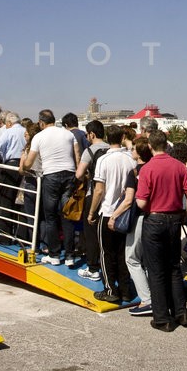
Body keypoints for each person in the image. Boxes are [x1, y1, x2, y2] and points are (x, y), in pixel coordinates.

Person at [135, 129, 187, 332]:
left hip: (154, 219)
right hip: (174, 218)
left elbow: (142, 202)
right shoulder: (179, 166)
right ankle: (181, 312)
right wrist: (183, 213)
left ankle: (162, 318)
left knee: (156, 270)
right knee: (174, 267)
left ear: (150, 146)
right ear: (167, 144)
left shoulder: (148, 169)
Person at [24, 109, 80, 265]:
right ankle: (70, 255)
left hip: (51, 176)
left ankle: (54, 255)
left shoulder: (39, 137)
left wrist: (23, 167)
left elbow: (29, 162)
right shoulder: (69, 134)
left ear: (41, 122)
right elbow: (77, 156)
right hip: (69, 175)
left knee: (50, 217)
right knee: (67, 215)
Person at [88, 124, 136, 303]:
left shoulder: (104, 160)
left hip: (107, 211)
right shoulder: (130, 159)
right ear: (123, 137)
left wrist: (92, 212)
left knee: (106, 253)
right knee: (122, 253)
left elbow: (99, 190)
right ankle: (125, 289)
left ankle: (110, 289)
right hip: (125, 212)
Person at [74, 120, 110, 281]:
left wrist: (88, 176)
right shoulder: (111, 149)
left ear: (92, 134)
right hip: (111, 198)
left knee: (91, 234)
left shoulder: (89, 151)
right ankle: (108, 267)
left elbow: (79, 174)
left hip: (94, 194)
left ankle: (93, 268)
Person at [124, 136, 154, 316]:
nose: (131, 150)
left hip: (139, 217)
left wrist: (115, 216)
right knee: (148, 260)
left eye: (133, 148)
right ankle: (154, 294)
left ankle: (146, 299)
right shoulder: (152, 169)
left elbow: (129, 200)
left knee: (132, 258)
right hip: (155, 217)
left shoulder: (135, 172)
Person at [0, 111, 26, 245]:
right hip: (25, 166)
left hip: (11, 167)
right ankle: (23, 236)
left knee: (6, 201)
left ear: (9, 123)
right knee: (22, 203)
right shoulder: (25, 131)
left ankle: (6, 236)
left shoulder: (8, 132)